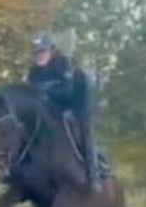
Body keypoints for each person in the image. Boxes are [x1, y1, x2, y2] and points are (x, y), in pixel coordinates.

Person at [26, 31, 102, 192]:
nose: (38, 56)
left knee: (85, 132)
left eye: (42, 52)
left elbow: (68, 91)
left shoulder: (64, 64)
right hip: (53, 108)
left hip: (77, 104)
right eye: (36, 53)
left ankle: (94, 176)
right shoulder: (34, 73)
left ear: (52, 50)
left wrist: (47, 93)